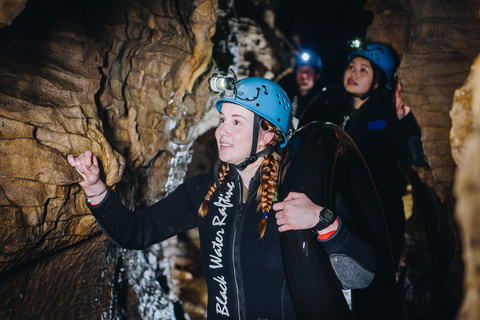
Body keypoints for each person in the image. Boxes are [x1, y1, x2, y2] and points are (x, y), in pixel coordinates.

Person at [68, 76, 376, 319]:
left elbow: (361, 276)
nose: (222, 132)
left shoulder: (303, 192)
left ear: (267, 134)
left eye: (237, 122)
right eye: (222, 120)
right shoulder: (204, 190)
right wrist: (96, 189)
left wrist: (325, 222)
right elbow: (137, 232)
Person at [320, 42, 426, 269]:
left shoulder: (388, 114)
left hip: (381, 211)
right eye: (351, 66)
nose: (353, 73)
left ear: (378, 81)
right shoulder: (334, 112)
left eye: (363, 70)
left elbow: (416, 158)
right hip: (342, 210)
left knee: (380, 276)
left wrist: (404, 120)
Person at [279, 49, 325, 127]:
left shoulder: (323, 101)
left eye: (309, 70)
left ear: (317, 75)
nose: (304, 74)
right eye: (300, 69)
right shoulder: (283, 95)